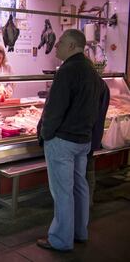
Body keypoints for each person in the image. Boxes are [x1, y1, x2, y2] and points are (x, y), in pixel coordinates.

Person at [36, 29, 103, 252]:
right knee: (79, 188)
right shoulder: (92, 71)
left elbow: (54, 109)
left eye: (61, 42)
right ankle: (80, 232)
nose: (56, 45)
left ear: (73, 46)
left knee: (63, 192)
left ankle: (60, 240)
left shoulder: (67, 71)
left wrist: (46, 134)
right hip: (82, 140)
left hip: (62, 141)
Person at [86, 78, 110, 207]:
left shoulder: (85, 83)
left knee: (81, 174)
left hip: (81, 138)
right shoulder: (102, 84)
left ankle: (83, 205)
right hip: (92, 136)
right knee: (88, 170)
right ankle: (87, 203)